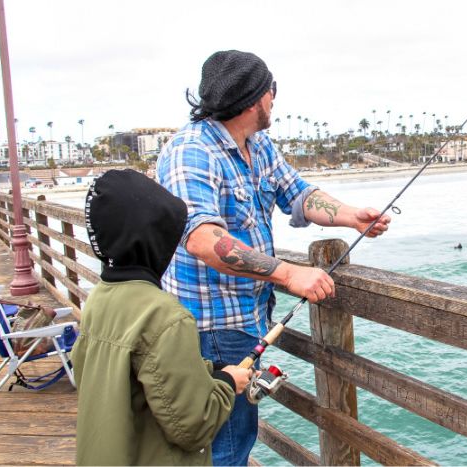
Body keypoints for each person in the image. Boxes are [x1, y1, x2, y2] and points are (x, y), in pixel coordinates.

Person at [156, 49, 391, 466]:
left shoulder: (257, 145)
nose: (274, 99)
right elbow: (204, 240)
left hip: (248, 319)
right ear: (253, 98)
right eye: (272, 90)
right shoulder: (191, 152)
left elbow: (298, 193)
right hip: (208, 325)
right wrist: (288, 274)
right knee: (225, 444)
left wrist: (352, 217)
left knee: (238, 436)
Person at [72, 169, 254, 465]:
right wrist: (226, 383)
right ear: (152, 239)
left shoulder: (99, 298)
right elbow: (194, 426)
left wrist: (207, 370)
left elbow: (139, 370)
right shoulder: (166, 316)